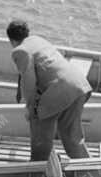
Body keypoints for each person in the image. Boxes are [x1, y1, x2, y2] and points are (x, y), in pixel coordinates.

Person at [6, 17, 92, 164]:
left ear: (11, 40)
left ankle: (37, 169)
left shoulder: (19, 51)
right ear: (27, 33)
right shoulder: (38, 40)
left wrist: (30, 107)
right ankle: (88, 168)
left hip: (59, 91)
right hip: (79, 86)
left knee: (39, 127)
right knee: (72, 138)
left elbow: (29, 82)